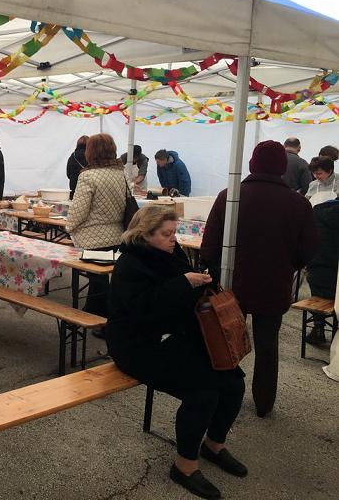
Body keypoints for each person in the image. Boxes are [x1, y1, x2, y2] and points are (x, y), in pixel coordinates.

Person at [108, 206, 246, 500]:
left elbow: (184, 298)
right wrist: (184, 283)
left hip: (176, 338)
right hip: (137, 346)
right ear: (145, 235)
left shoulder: (172, 253)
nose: (174, 239)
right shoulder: (130, 264)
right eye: (166, 234)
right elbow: (144, 310)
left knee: (234, 381)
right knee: (203, 392)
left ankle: (214, 445)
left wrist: (204, 282)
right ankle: (185, 466)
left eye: (175, 232)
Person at [201, 140, 318, 418]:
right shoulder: (299, 204)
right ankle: (263, 404)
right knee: (268, 347)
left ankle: (222, 395)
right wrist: (288, 265)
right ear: (282, 167)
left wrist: (214, 272)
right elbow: (309, 249)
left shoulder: (230, 196)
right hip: (273, 285)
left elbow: (209, 244)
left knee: (226, 342)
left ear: (252, 163)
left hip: (232, 284)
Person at [66, 134, 126, 328]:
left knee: (97, 281)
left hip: (93, 238)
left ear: (91, 151)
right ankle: (97, 314)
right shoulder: (121, 174)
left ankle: (100, 320)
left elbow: (79, 211)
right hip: (117, 234)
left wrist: (69, 227)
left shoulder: (88, 176)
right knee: (101, 280)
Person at [306, 196, 339, 344]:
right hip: (336, 282)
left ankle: (318, 328)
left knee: (317, 280)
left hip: (318, 278)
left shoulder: (318, 210)